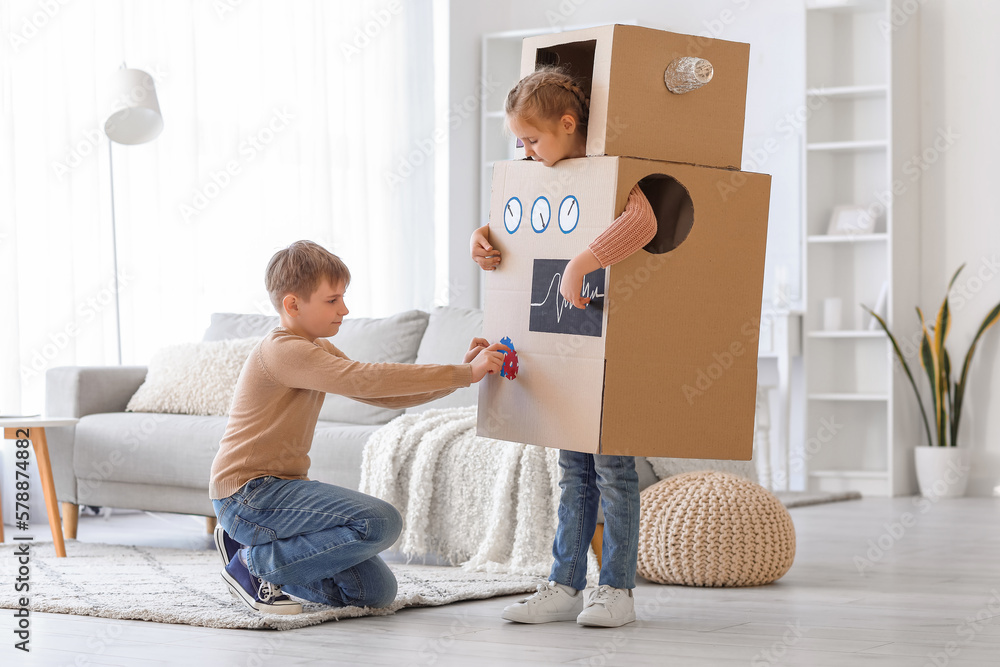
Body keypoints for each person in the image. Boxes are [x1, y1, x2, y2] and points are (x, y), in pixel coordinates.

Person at [210, 240, 507, 615]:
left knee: (374, 591)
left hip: (277, 493)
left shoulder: (314, 348)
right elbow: (366, 380)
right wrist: (465, 372)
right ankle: (254, 567)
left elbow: (382, 396)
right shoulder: (285, 350)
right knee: (381, 521)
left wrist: (462, 375)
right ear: (293, 304)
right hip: (250, 495)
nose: (345, 309)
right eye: (332, 300)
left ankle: (256, 552)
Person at [470, 66, 657, 628]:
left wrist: (582, 262)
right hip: (562, 341)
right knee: (573, 472)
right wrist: (482, 238)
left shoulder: (615, 171)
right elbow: (519, 229)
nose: (525, 152)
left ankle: (617, 590)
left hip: (611, 345)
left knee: (614, 472)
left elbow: (643, 221)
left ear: (569, 124)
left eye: (532, 139)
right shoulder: (540, 176)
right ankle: (564, 583)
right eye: (518, 143)